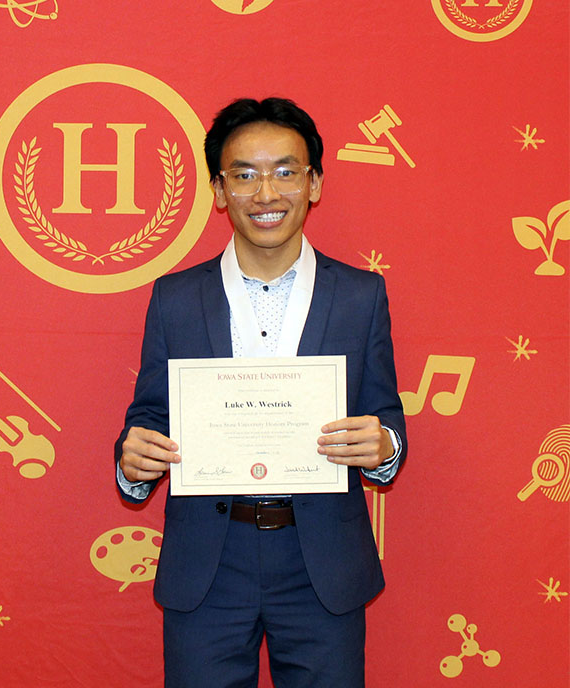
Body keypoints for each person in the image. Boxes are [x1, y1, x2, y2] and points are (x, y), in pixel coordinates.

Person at [115, 97, 406, 688]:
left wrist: (385, 448)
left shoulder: (360, 296)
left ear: (314, 182)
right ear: (219, 191)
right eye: (244, 174)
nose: (265, 193)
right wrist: (134, 464)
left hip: (321, 560)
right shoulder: (174, 298)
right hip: (209, 562)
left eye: (284, 171)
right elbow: (149, 414)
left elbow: (386, 417)